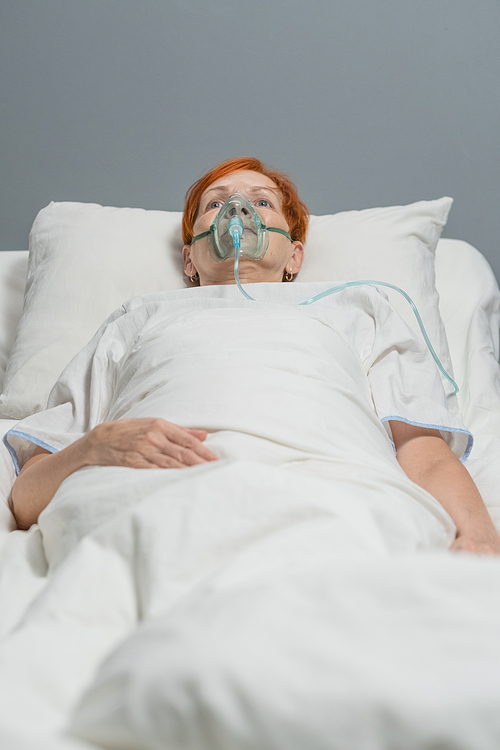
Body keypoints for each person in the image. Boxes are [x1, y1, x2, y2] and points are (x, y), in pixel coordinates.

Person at [7, 157, 500, 555]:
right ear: (189, 260)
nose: (236, 211)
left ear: (295, 257)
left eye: (262, 202)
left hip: (335, 492)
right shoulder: (136, 317)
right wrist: (96, 447)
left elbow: (423, 451)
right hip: (149, 500)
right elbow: (27, 500)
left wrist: (480, 536)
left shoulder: (360, 307)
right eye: (214, 204)